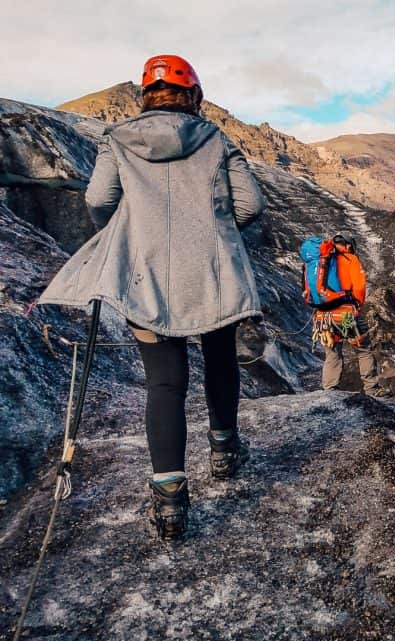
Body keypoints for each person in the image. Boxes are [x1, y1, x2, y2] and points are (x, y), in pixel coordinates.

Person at [38, 54, 265, 539]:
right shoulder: (216, 140)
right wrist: (216, 235)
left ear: (145, 96)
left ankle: (169, 502)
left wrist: (130, 239)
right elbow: (249, 204)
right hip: (210, 274)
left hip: (144, 279)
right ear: (195, 97)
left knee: (164, 383)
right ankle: (225, 450)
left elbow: (99, 201)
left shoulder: (117, 140)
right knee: (220, 358)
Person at [311, 234, 382, 396]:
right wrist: (356, 304)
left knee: (332, 352)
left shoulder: (322, 261)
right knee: (363, 349)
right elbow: (359, 288)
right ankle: (371, 389)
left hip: (322, 317)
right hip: (345, 315)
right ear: (348, 246)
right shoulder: (350, 259)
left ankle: (329, 390)